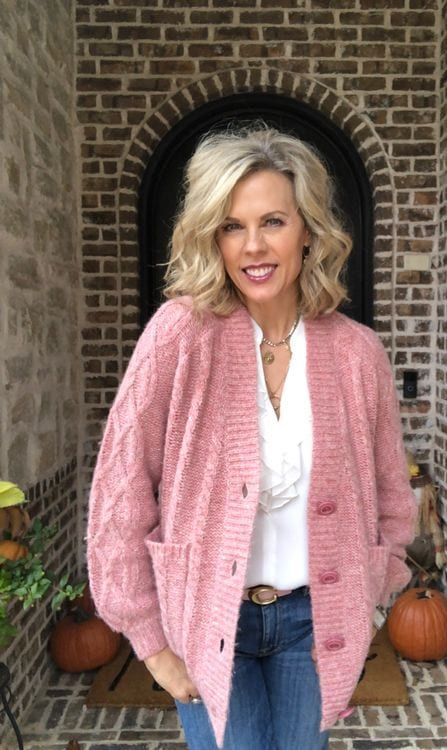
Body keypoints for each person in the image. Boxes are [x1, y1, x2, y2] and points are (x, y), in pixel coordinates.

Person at [87, 125, 417, 750]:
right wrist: (151, 645)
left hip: (314, 624)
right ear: (212, 237)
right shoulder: (178, 336)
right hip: (208, 618)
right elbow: (121, 493)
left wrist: (374, 594)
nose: (253, 246)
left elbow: (391, 495)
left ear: (308, 230)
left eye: (273, 221)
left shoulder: (357, 353)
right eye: (232, 226)